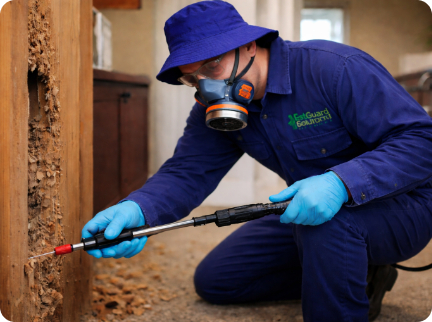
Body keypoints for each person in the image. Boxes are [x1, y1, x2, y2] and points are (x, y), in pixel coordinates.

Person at [82, 1, 432, 321]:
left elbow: (422, 141)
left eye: (212, 65)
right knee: (218, 280)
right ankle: (360, 271)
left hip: (403, 206)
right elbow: (188, 171)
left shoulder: (335, 69)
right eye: (192, 79)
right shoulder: (215, 108)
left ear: (249, 45)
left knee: (330, 223)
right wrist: (137, 209)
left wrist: (341, 183)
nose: (206, 88)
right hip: (309, 212)